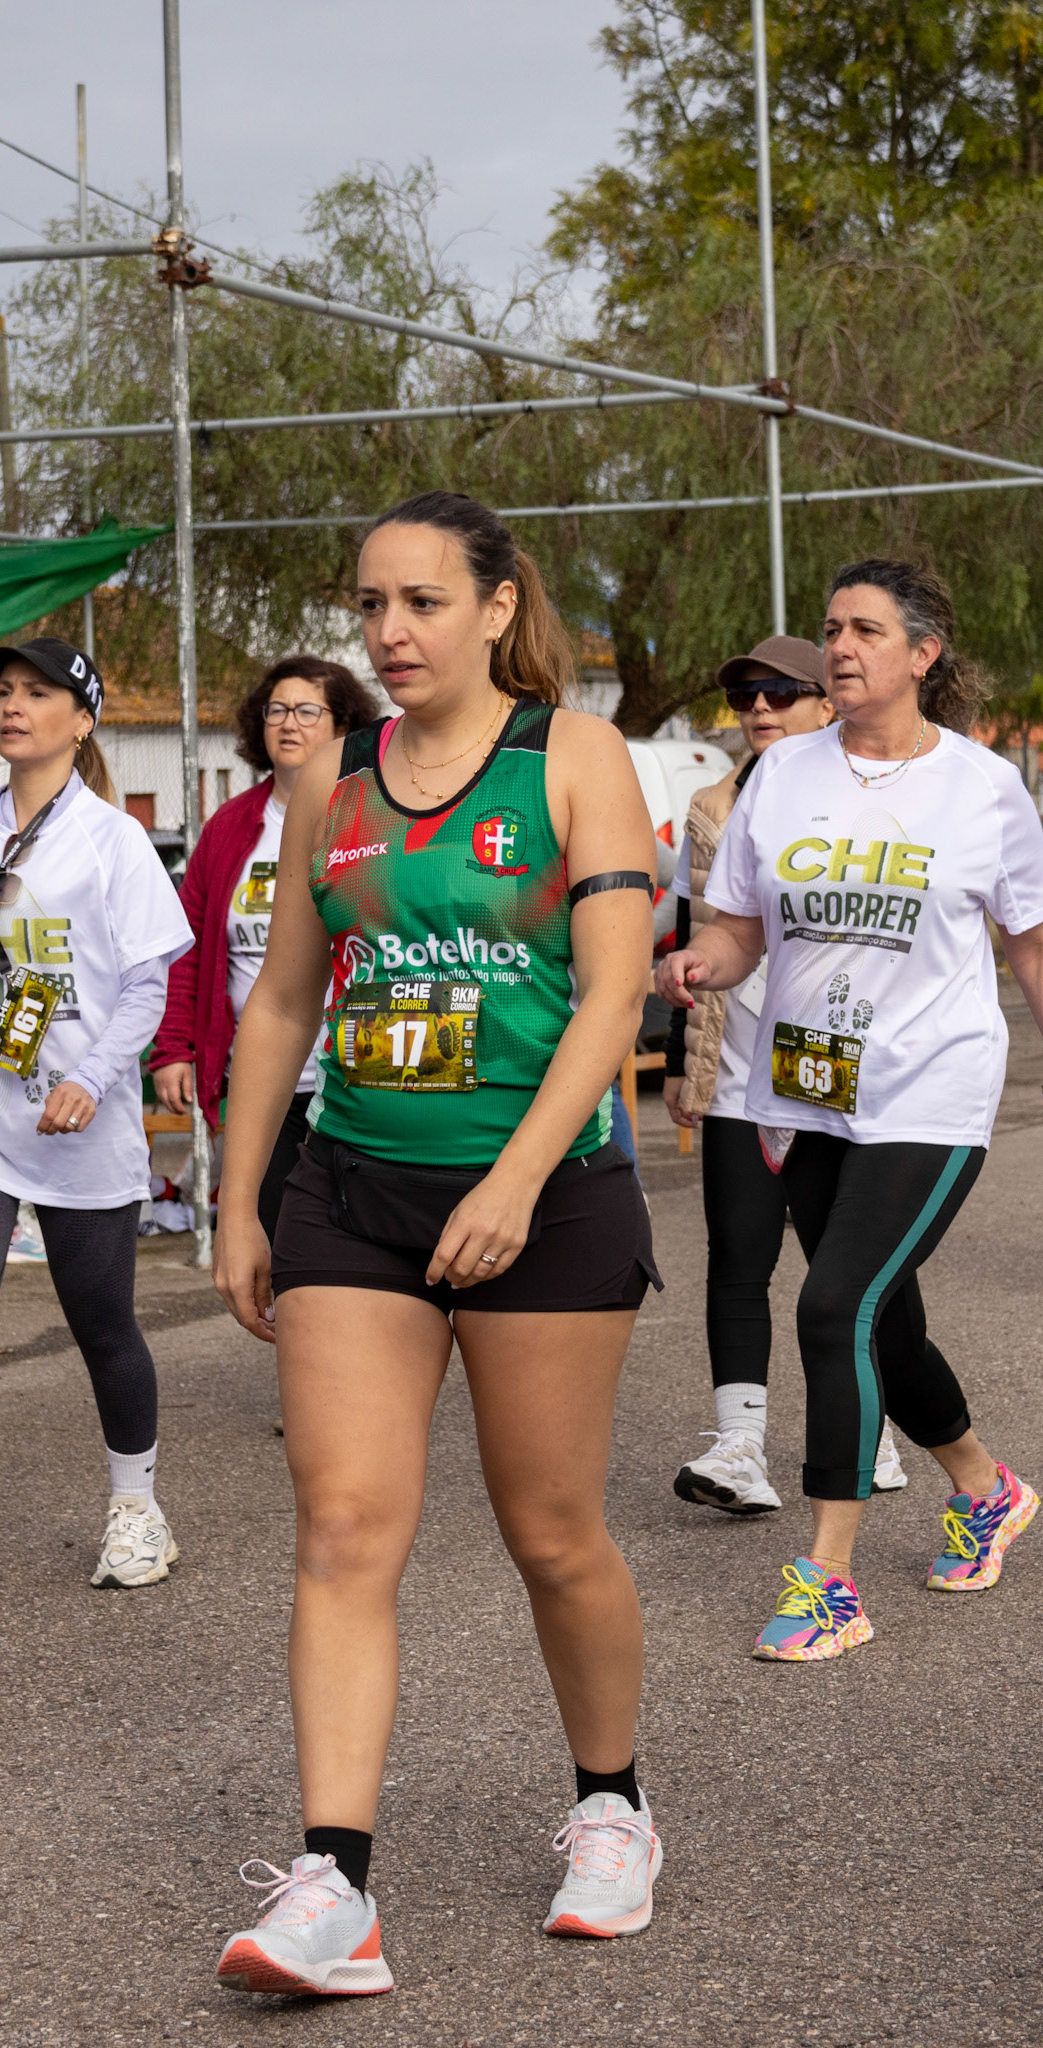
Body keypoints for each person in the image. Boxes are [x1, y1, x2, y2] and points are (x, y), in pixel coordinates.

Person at [212, 490, 662, 1998]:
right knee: (344, 1529)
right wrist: (241, 1200)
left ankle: (613, 1806)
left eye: (421, 602)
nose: (389, 633)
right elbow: (285, 1000)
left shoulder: (573, 757)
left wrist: (516, 1182)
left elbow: (615, 995)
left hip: (544, 1194)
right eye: (369, 606)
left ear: (494, 605)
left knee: (553, 1534)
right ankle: (332, 1887)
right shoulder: (329, 781)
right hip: (354, 1191)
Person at [658, 559, 1043, 1661]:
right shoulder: (782, 777)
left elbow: (1028, 945)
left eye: (866, 629)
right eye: (831, 628)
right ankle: (987, 1488)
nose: (839, 647)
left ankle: (827, 1581)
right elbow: (741, 928)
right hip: (810, 1088)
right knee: (884, 1320)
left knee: (831, 1309)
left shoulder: (983, 787)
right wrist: (702, 962)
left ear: (923, 653)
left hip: (934, 1089)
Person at [0, 638, 193, 1618]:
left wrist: (95, 1080)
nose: (13, 706)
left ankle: (137, 1508)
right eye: (4, 692)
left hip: (80, 1126)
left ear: (82, 719)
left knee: (103, 1325)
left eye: (37, 693)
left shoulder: (112, 841)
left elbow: (147, 985)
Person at [665, 636, 907, 1511]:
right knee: (737, 1257)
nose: (759, 710)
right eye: (745, 698)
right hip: (737, 1069)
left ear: (827, 703)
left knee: (850, 1268)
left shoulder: (873, 797)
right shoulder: (710, 807)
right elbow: (692, 932)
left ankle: (872, 1429)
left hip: (841, 1071)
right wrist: (679, 1057)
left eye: (780, 693)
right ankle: (739, 1449)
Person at [150, 655, 379, 1240]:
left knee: (357, 1237)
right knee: (276, 1236)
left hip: (358, 1076)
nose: (288, 723)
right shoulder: (229, 827)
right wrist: (173, 1047)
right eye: (276, 710)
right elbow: (188, 947)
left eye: (307, 711)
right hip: (263, 1080)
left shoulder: (375, 817)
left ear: (343, 726)